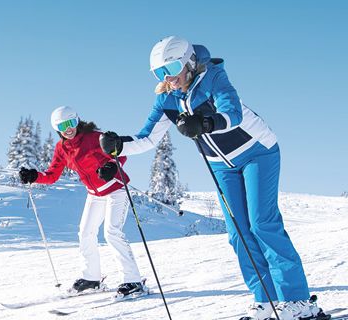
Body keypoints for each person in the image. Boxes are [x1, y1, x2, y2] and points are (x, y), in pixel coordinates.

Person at [99, 36, 325, 320]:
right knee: (237, 233)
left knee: (262, 223)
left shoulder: (213, 77)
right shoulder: (167, 99)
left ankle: (298, 301)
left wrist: (206, 123)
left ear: (189, 61)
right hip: (222, 166)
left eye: (171, 67)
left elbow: (232, 113)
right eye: (159, 73)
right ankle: (265, 301)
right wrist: (119, 145)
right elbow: (147, 138)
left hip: (257, 152)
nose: (167, 77)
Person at [18, 106, 147, 299]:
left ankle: (133, 280)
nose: (68, 129)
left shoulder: (95, 137)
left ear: (77, 121)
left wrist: (111, 166)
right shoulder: (62, 148)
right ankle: (92, 279)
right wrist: (34, 176)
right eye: (63, 126)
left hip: (115, 189)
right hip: (95, 195)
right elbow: (52, 175)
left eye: (71, 123)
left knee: (112, 232)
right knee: (85, 232)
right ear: (57, 128)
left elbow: (120, 151)